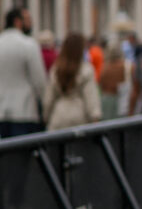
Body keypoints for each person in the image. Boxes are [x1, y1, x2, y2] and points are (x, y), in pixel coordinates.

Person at [0, 8, 47, 138]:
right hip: (24, 110)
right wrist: (44, 106)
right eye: (27, 20)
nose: (30, 24)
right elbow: (39, 80)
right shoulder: (29, 44)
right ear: (17, 22)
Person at [42, 33, 101, 131]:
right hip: (80, 117)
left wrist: (46, 116)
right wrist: (95, 117)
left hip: (59, 115)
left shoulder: (56, 69)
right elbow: (91, 98)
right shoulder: (85, 70)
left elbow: (49, 98)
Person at [98, 43, 126, 120]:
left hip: (107, 99)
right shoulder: (125, 66)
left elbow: (101, 84)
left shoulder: (105, 67)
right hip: (121, 99)